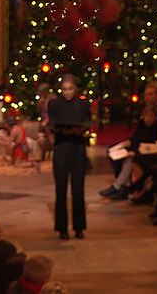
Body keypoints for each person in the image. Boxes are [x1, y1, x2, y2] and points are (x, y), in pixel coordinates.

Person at [48, 74, 90, 240]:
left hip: (78, 147)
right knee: (61, 189)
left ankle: (79, 228)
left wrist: (80, 129)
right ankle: (62, 228)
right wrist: (61, 130)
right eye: (64, 89)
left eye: (70, 89)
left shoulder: (82, 103)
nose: (67, 92)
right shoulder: (54, 104)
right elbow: (51, 123)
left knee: (78, 189)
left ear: (75, 89)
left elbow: (87, 121)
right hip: (61, 147)